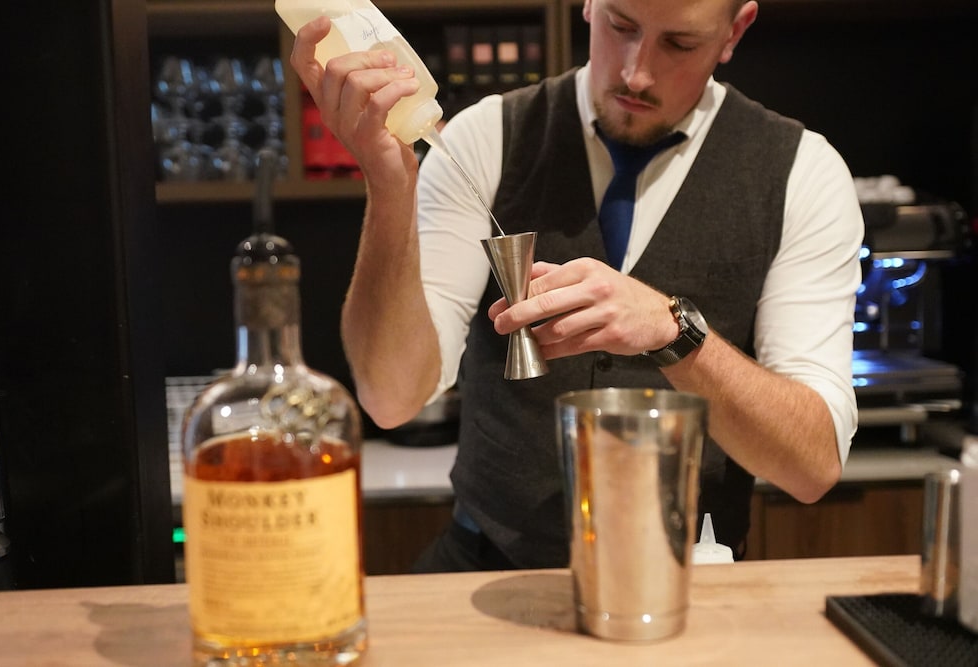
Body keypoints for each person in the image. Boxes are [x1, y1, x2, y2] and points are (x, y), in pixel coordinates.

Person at [289, 0, 863, 571]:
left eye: (679, 44)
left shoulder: (801, 173)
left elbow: (811, 467)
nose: (636, 73)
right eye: (621, 26)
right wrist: (389, 188)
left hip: (686, 583)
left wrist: (675, 332)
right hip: (486, 570)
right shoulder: (487, 137)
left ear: (735, 31)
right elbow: (391, 398)